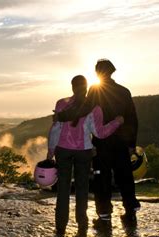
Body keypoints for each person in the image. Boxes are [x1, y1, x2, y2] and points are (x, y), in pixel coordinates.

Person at [56, 59, 140, 224]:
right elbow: (132, 119)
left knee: (102, 177)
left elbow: (83, 110)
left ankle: (104, 215)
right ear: (111, 71)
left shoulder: (95, 90)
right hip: (122, 142)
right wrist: (131, 144)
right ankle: (130, 211)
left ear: (97, 73)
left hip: (102, 142)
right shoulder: (124, 92)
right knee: (124, 175)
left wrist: (62, 116)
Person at [47, 75, 124, 235]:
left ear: (72, 87)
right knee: (82, 189)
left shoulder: (62, 104)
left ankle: (60, 226)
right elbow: (100, 133)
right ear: (86, 86)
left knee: (63, 189)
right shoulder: (94, 107)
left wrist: (51, 150)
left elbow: (56, 129)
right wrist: (117, 122)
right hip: (84, 152)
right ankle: (82, 223)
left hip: (63, 150)